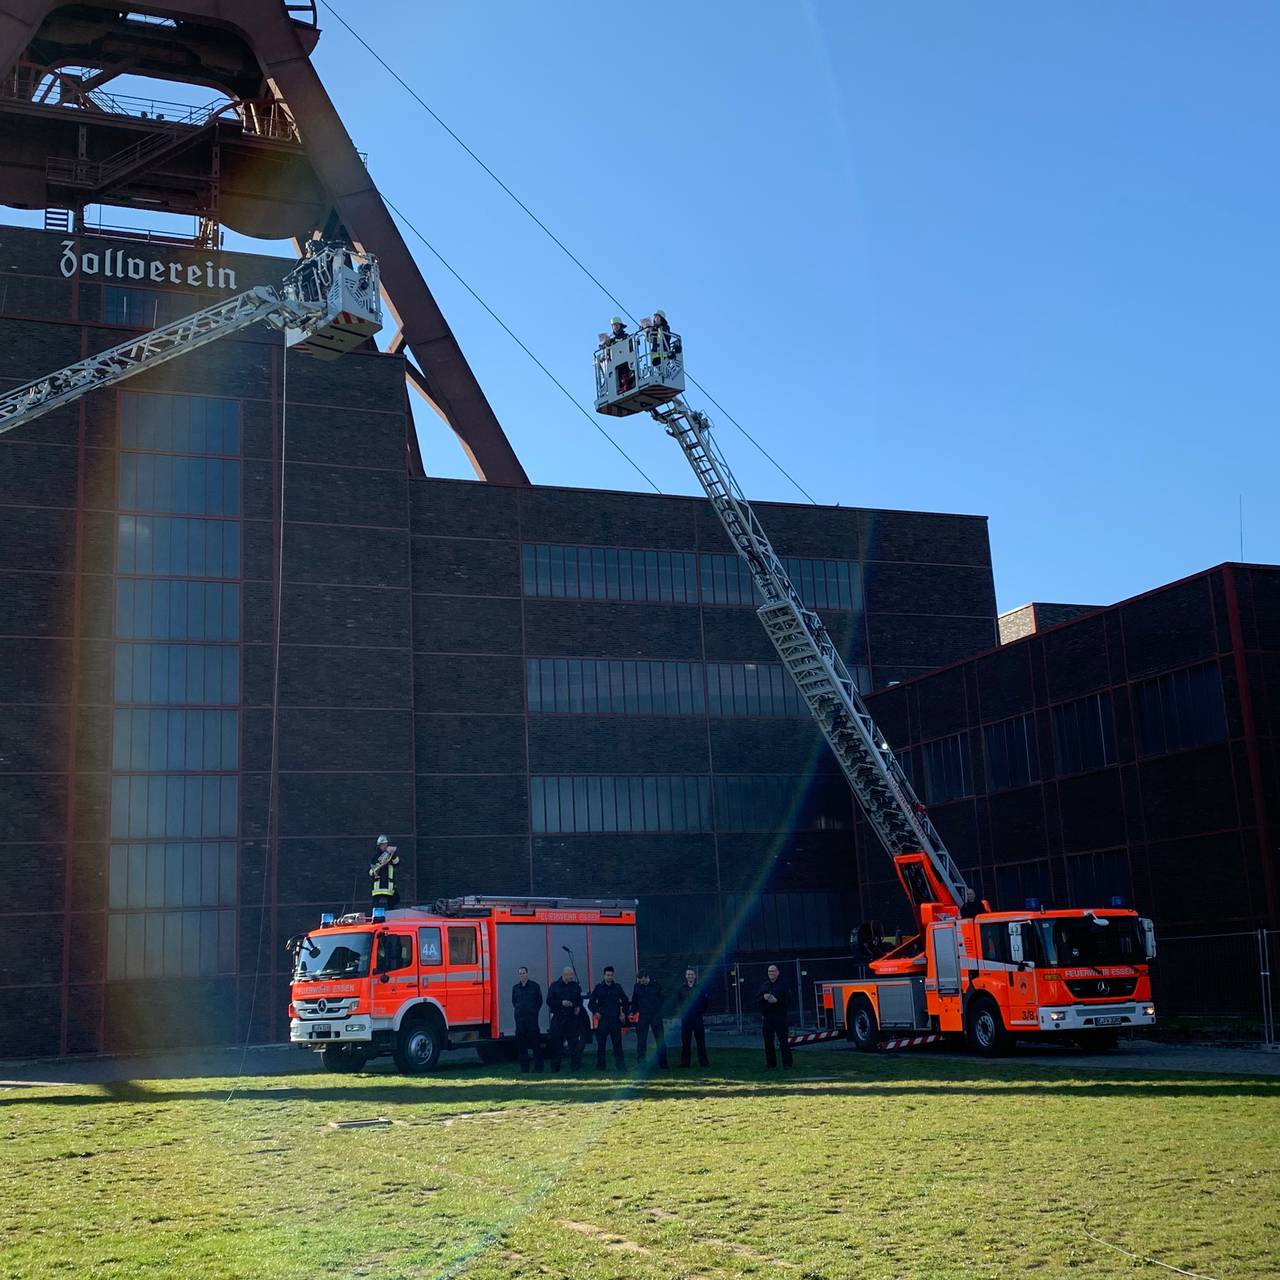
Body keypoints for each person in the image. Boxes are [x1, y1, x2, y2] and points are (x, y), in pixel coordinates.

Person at [588, 965, 629, 1070]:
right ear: (604, 975)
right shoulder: (598, 988)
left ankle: (621, 1066)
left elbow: (625, 1001)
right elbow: (591, 1003)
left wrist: (624, 1013)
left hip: (615, 1020)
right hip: (603, 1020)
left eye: (611, 975)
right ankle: (601, 1067)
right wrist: (596, 1012)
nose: (609, 977)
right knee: (601, 1045)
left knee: (618, 1044)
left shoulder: (617, 987)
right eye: (607, 975)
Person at [545, 965, 584, 1071]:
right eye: (570, 975)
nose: (572, 977)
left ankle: (575, 1066)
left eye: (572, 974)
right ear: (564, 975)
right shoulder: (555, 986)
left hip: (572, 1018)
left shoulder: (575, 986)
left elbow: (579, 999)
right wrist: (561, 1003)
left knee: (574, 1043)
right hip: (558, 1018)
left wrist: (578, 1007)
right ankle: (555, 1066)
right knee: (557, 1043)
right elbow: (549, 1001)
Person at [757, 964, 793, 1068]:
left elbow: (788, 999)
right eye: (769, 971)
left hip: (780, 1017)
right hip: (767, 1017)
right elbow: (756, 1000)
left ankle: (787, 1064)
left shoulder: (783, 985)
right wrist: (763, 997)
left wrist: (777, 1000)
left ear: (778, 972)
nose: (771, 973)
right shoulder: (764, 985)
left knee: (783, 1041)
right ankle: (771, 1064)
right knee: (768, 1041)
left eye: (773, 971)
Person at [629, 970, 667, 1068]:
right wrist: (632, 1012)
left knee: (660, 1039)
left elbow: (662, 998)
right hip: (643, 1016)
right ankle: (641, 1063)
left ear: (647, 977)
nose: (641, 982)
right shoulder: (637, 987)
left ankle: (663, 1063)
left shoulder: (656, 985)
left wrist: (658, 1009)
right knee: (641, 1041)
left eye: (642, 980)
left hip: (655, 1015)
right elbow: (634, 1001)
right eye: (640, 981)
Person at [675, 967, 710, 1067]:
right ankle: (685, 1063)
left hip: (697, 1017)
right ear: (686, 976)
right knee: (686, 1042)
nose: (690, 976)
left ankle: (704, 1063)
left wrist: (701, 1012)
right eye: (688, 974)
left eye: (692, 974)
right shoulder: (681, 989)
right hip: (686, 1019)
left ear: (695, 976)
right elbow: (679, 1003)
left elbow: (705, 1002)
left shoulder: (700, 988)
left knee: (700, 1041)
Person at [511, 965, 543, 1073]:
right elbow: (514, 1002)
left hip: (532, 1020)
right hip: (520, 1021)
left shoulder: (535, 986)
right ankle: (524, 1067)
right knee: (521, 1045)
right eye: (520, 973)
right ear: (518, 975)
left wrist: (533, 1011)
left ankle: (539, 1067)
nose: (522, 975)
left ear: (527, 974)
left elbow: (539, 1001)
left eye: (524, 973)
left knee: (535, 1044)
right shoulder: (515, 988)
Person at [369, 834, 399, 909]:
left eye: (385, 844)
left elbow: (397, 863)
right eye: (383, 845)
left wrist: (393, 855)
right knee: (376, 906)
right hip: (378, 887)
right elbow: (371, 871)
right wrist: (375, 870)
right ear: (379, 845)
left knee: (394, 902)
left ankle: (391, 917)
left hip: (389, 886)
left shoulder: (391, 856)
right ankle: (376, 917)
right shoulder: (375, 857)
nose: (384, 846)